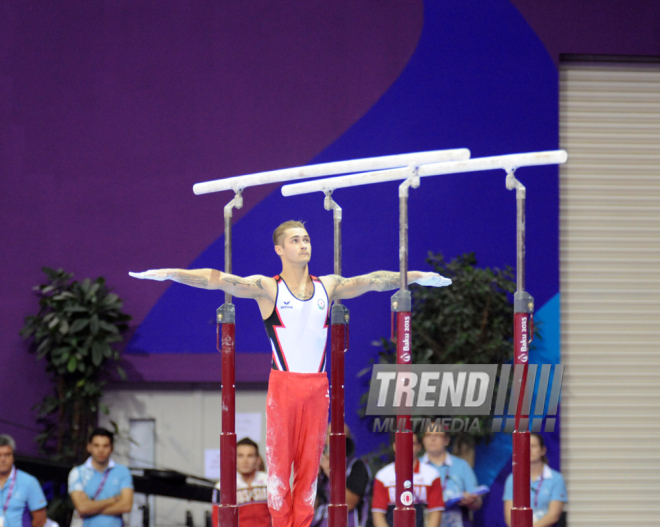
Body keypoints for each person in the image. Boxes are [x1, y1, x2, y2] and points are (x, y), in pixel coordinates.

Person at [130, 220, 451, 527]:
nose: (303, 245)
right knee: (280, 473)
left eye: (306, 239)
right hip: (283, 387)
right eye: (295, 240)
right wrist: (172, 273)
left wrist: (416, 275)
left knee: (309, 472)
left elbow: (371, 280)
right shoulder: (268, 288)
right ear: (279, 249)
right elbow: (217, 278)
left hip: (316, 388)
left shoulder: (329, 286)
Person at [371, 433, 444, 527]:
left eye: (412, 443)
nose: (406, 447)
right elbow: (378, 514)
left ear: (419, 447)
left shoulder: (431, 474)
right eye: (402, 443)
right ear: (395, 446)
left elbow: (435, 512)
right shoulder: (383, 476)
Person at [68, 428, 133, 527]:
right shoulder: (78, 473)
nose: (101, 450)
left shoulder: (123, 472)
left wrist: (91, 507)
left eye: (105, 446)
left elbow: (127, 506)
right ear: (89, 447)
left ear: (112, 448)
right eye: (96, 445)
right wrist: (113, 500)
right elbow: (82, 508)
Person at [502, 433, 567, 527]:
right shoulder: (512, 479)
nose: (529, 450)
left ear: (542, 450)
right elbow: (509, 516)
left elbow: (554, 515)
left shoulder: (556, 478)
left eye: (533, 446)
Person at [420, 431, 481, 527]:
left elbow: (477, 503)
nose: (432, 439)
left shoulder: (461, 465)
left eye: (437, 435)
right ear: (423, 440)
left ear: (446, 440)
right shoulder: (414, 467)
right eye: (428, 435)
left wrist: (471, 501)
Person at [313, 424, 370, 527]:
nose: (332, 439)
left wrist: (331, 473)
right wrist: (312, 480)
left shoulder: (356, 466)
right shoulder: (318, 467)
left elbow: (349, 502)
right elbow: (310, 506)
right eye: (329, 435)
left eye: (338, 435)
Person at [212, 437, 270, 527]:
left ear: (257, 459)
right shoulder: (223, 487)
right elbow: (218, 521)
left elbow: (280, 514)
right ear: (234, 459)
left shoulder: (269, 482)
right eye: (240, 456)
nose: (245, 461)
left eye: (250, 456)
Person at [0, 434, 47, 527]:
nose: (2, 460)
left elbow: (40, 519)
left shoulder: (29, 482)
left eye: (7, 455)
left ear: (13, 456)